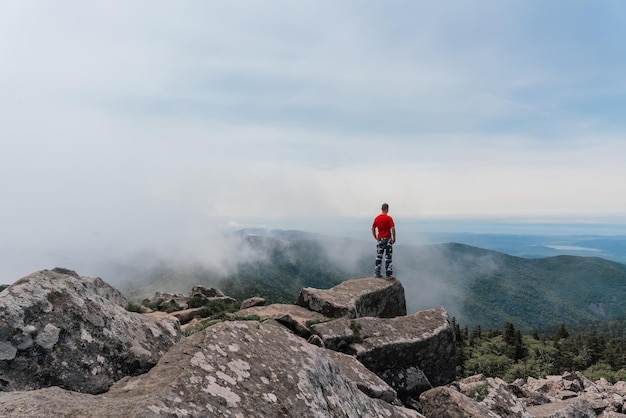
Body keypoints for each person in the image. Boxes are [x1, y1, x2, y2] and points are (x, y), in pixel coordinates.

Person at [371, 203, 396, 280]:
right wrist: (393, 238)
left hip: (380, 239)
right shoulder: (389, 218)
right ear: (387, 209)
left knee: (379, 256)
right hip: (388, 239)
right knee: (388, 257)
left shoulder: (377, 218)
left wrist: (375, 236)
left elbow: (373, 228)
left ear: (381, 209)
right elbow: (393, 228)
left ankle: (377, 273)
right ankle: (388, 275)